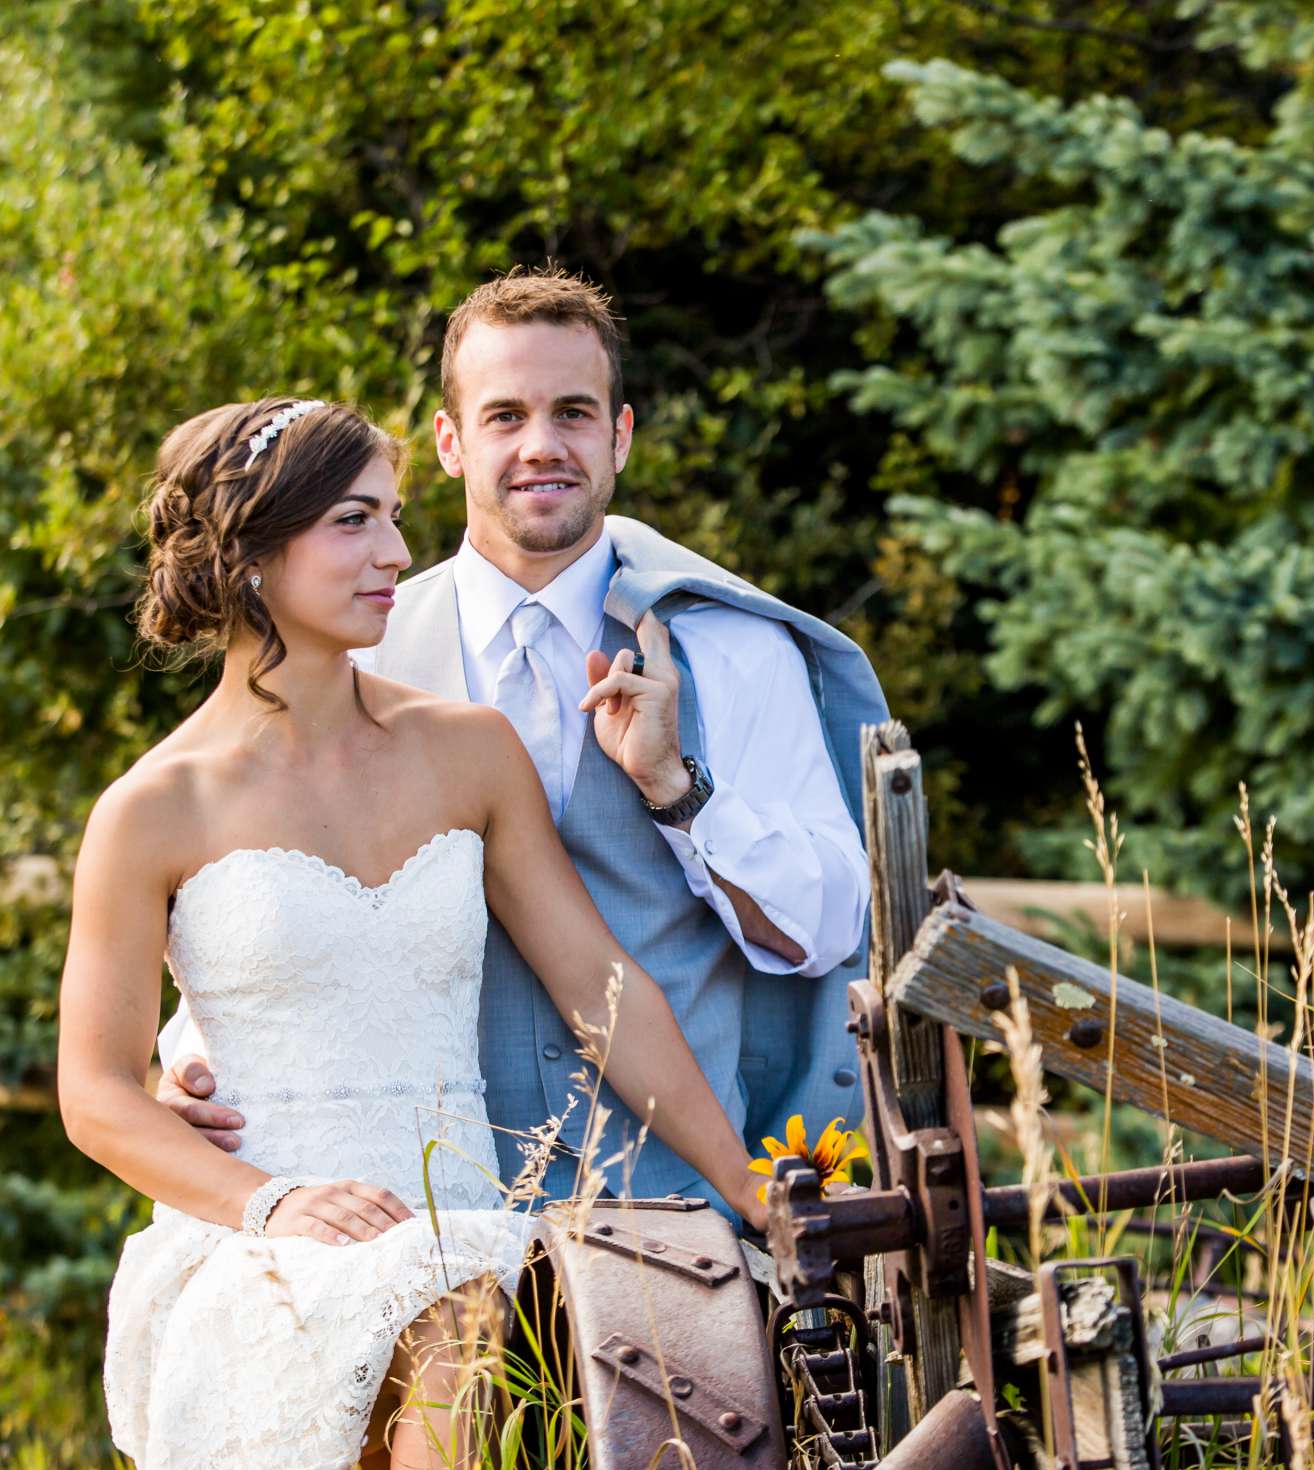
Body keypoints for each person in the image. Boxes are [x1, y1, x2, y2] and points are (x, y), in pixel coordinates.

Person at [55, 394, 770, 1470]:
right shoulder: (151, 808)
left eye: (393, 518)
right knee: (456, 1342)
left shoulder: (467, 751)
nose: (396, 553)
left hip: (467, 1225)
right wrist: (267, 1198)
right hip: (266, 1244)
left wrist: (752, 1187)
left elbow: (603, 991)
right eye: (353, 522)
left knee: (471, 1327)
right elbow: (93, 1089)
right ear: (248, 549)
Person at [154, 269, 886, 1212]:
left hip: (680, 1221)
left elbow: (826, 934)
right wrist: (194, 1063)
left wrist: (677, 789)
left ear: (619, 436)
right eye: (505, 416)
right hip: (419, 1217)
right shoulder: (349, 647)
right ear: (451, 445)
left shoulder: (732, 648)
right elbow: (268, 905)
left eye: (574, 413)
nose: (542, 446)